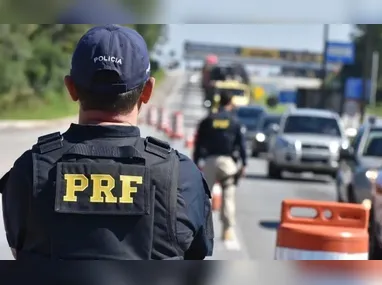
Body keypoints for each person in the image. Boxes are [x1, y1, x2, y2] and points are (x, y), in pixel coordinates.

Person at [0, 24, 213, 261]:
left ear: (71, 88)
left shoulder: (29, 169)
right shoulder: (182, 176)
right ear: (147, 91)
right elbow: (196, 261)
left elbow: (19, 254)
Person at [193, 90, 247, 241]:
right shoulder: (234, 121)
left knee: (203, 198)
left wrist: (196, 161)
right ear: (230, 103)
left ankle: (198, 229)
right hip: (228, 163)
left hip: (210, 162)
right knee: (228, 196)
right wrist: (244, 164)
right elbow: (241, 144)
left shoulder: (209, 120)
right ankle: (227, 230)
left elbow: (198, 142)